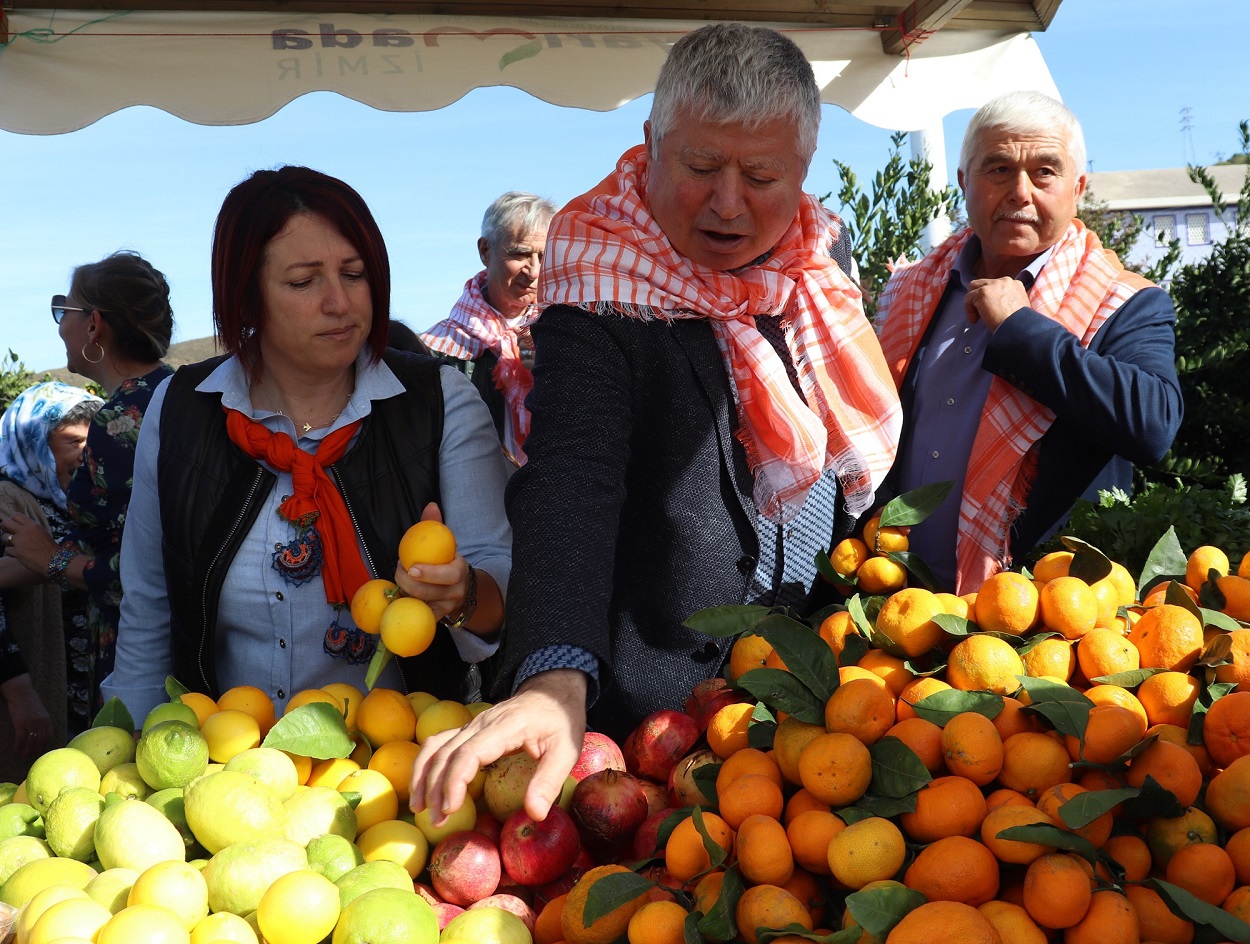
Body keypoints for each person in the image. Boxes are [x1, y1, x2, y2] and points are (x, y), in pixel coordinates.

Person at [411, 23, 902, 823]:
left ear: (804, 170)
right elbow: (574, 476)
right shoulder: (601, 277)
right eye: (701, 167)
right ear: (651, 143)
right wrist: (555, 676)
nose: (729, 203)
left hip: (818, 721)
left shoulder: (818, 272)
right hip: (651, 730)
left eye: (763, 175)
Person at [102, 166, 512, 723]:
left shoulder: (441, 403)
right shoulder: (181, 410)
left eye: (355, 273)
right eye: (304, 281)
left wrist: (461, 596)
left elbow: (502, 596)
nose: (340, 303)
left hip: (396, 777)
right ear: (246, 296)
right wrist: (127, 751)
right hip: (226, 771)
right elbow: (149, 609)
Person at [874, 91, 1183, 593]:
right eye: (997, 168)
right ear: (962, 182)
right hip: (896, 595)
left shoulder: (1124, 302)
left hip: (1041, 618)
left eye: (1045, 172)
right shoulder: (911, 291)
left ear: (1077, 188)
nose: (1020, 191)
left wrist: (1020, 328)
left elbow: (1153, 423)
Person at [0, 251, 174, 727]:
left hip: (140, 653)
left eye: (65, 311)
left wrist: (52, 560)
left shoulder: (120, 423)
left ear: (94, 324)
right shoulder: (175, 395)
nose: (61, 326)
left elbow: (146, 568)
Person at [0, 381, 102, 774]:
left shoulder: (73, 501)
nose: (85, 454)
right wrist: (19, 691)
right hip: (31, 693)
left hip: (77, 690)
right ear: (33, 441)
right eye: (72, 441)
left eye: (89, 443)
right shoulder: (8, 499)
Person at [421, 192, 557, 465]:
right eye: (519, 254)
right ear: (485, 251)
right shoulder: (435, 349)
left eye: (543, 256)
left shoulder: (559, 335)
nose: (533, 271)